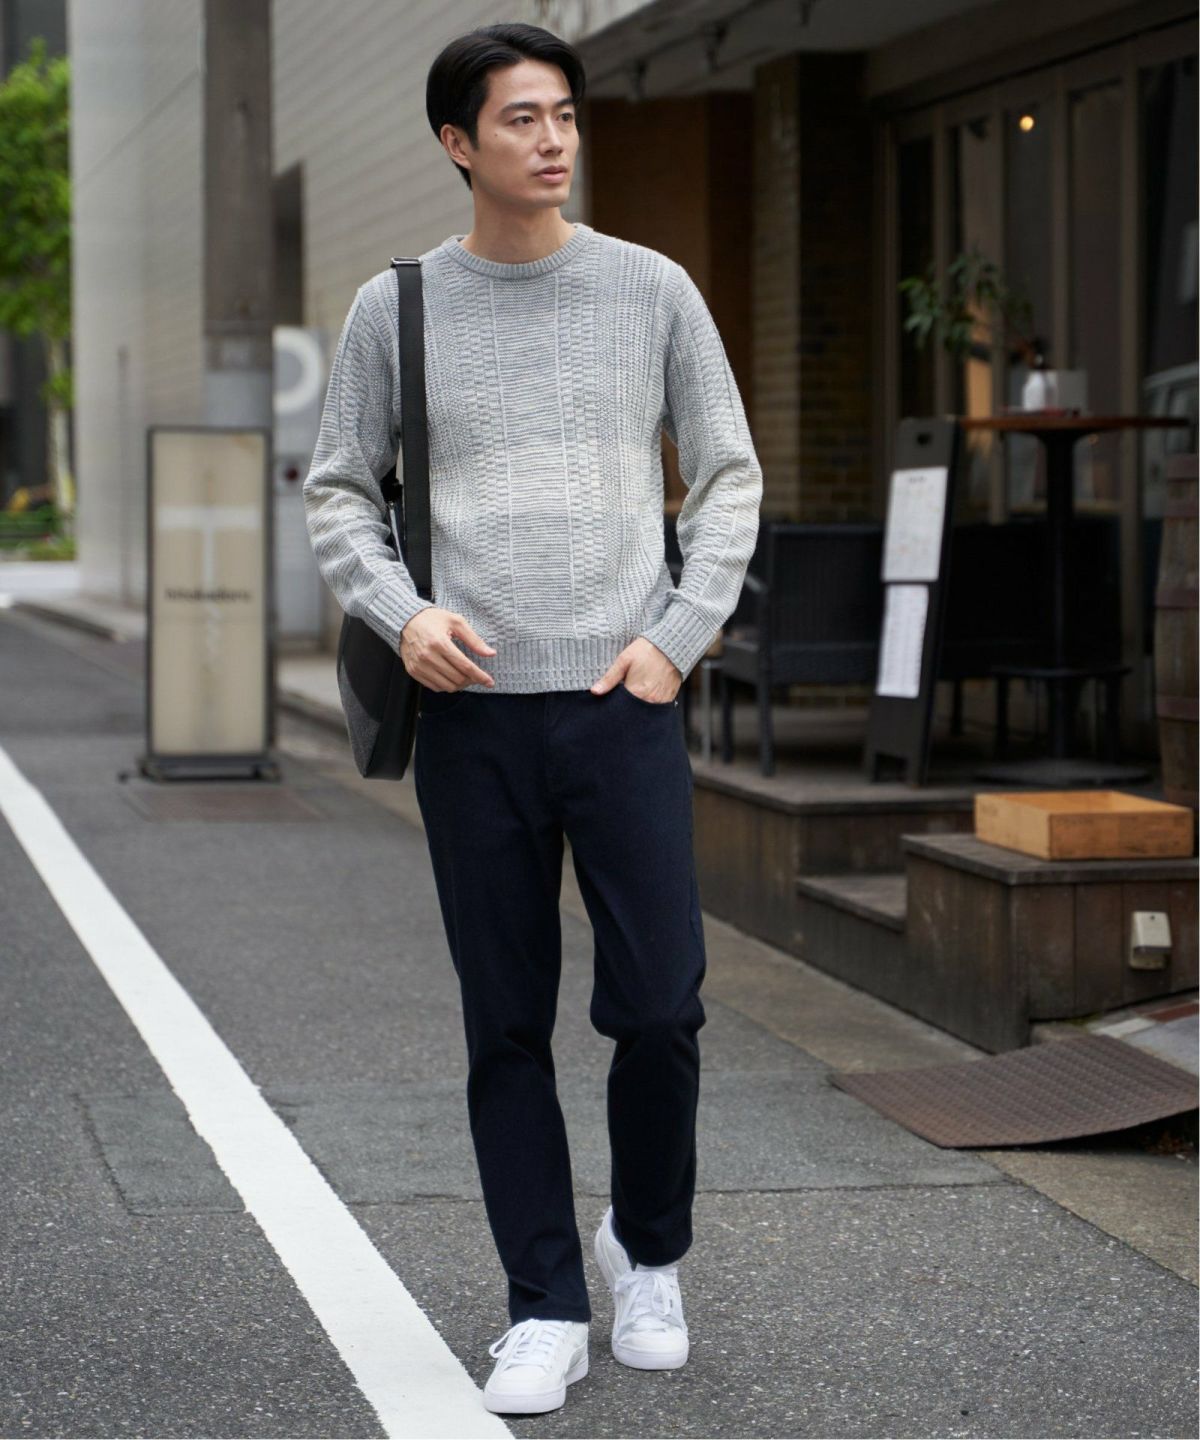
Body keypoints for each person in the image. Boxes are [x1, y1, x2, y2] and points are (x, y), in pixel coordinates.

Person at [303, 20, 763, 1418]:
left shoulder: (652, 289)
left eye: (564, 113)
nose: (553, 138)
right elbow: (340, 490)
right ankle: (545, 1304)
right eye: (520, 118)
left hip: (623, 702)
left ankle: (649, 1252)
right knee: (504, 1023)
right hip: (477, 717)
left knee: (661, 1006)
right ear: (459, 143)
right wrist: (404, 615)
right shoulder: (396, 310)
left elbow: (729, 476)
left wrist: (675, 639)